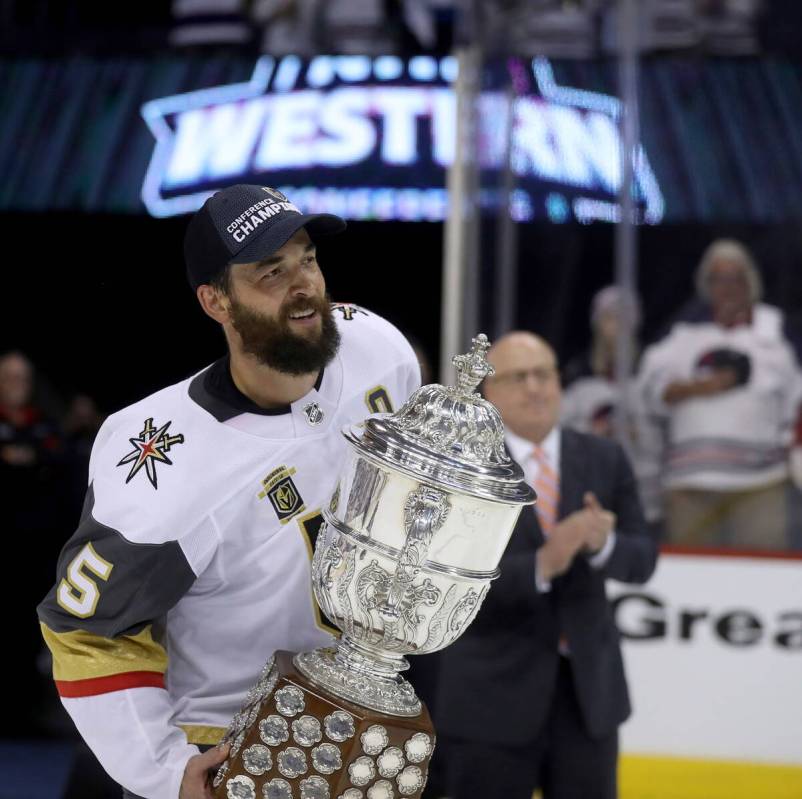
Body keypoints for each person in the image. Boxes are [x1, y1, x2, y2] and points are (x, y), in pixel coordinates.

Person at [36, 184, 421, 799]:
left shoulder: (378, 349)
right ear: (216, 301)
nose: (304, 285)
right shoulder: (164, 458)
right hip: (231, 746)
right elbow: (85, 630)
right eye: (272, 271)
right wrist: (164, 773)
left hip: (364, 726)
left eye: (308, 259)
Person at [434, 331, 658, 799]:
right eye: (519, 377)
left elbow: (642, 560)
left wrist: (604, 544)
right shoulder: (460, 468)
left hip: (587, 700)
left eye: (544, 374)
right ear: (489, 392)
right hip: (488, 702)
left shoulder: (603, 457)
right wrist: (542, 563)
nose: (535, 388)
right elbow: (443, 584)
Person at [637, 238, 802, 549]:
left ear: (750, 282)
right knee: (690, 583)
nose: (727, 287)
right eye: (718, 278)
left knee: (765, 581)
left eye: (736, 277)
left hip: (761, 485)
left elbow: (796, 396)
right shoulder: (682, 333)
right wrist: (699, 388)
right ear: (706, 285)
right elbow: (648, 387)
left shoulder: (777, 331)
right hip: (690, 485)